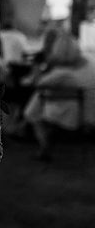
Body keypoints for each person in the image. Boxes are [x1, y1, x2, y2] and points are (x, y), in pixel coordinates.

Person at [23, 31, 95, 161]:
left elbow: (38, 83)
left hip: (69, 115)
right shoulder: (91, 63)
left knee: (32, 110)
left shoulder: (61, 73)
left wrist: (37, 70)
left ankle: (44, 146)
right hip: (89, 114)